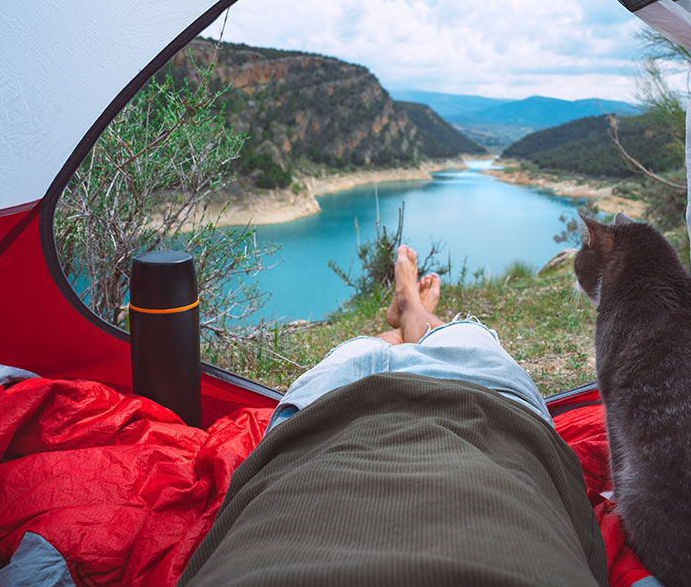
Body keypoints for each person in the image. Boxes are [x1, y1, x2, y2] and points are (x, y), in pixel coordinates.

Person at [179, 246, 608, 586]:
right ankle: (412, 312)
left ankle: (403, 314)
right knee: (459, 336)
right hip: (490, 411)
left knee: (369, 349)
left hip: (327, 418)